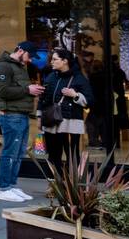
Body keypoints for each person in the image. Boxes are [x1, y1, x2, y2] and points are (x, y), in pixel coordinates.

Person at [0, 41, 43, 203]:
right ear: (20, 51)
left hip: (21, 115)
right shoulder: (3, 66)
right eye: (29, 56)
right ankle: (4, 188)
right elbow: (2, 91)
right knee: (10, 153)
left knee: (19, 154)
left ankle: (12, 185)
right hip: (11, 116)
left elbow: (15, 89)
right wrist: (28, 90)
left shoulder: (19, 67)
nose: (30, 60)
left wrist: (32, 90)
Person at [37, 47, 92, 178]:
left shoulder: (79, 78)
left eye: (55, 59)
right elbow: (43, 98)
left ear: (65, 61)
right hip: (51, 123)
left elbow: (90, 101)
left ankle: (72, 186)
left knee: (72, 155)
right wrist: (39, 117)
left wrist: (75, 95)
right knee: (53, 155)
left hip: (70, 124)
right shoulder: (51, 76)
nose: (52, 62)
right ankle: (54, 184)